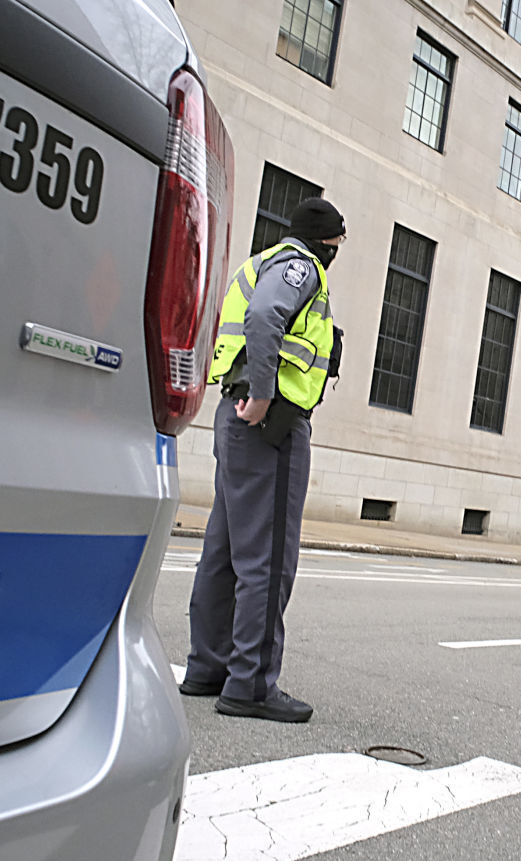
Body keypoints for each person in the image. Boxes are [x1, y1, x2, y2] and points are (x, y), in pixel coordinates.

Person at [180, 198, 345, 722]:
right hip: (267, 426)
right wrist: (265, 393)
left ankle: (208, 666)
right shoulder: (301, 267)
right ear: (325, 239)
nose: (338, 250)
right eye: (338, 241)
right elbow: (265, 316)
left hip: (236, 419)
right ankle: (249, 684)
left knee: (224, 551)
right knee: (268, 559)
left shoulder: (257, 263)